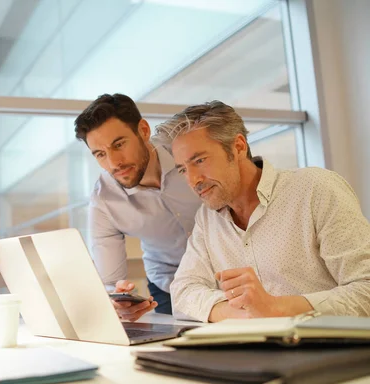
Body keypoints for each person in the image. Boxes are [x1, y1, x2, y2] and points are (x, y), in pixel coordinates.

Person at [151, 100, 370, 322]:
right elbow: (182, 293)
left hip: (328, 351)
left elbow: (365, 289)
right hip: (251, 352)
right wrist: (245, 314)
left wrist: (276, 308)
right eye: (183, 169)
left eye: (199, 160)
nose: (193, 180)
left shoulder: (315, 188)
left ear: (238, 146)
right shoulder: (207, 218)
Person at [74, 93, 202, 322]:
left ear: (143, 130)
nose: (114, 163)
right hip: (169, 286)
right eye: (101, 154)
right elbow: (111, 283)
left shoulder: (187, 153)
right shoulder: (104, 201)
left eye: (119, 144)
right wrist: (119, 301)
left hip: (227, 276)